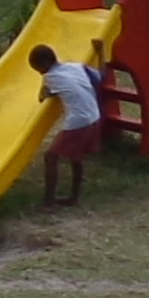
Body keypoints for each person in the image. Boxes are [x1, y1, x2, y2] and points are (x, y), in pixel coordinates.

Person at [33, 40, 106, 208]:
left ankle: (48, 202)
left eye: (38, 69)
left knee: (50, 157)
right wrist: (100, 51)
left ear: (44, 64)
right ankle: (74, 198)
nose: (40, 73)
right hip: (94, 115)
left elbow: (42, 96)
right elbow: (101, 77)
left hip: (79, 120)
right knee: (76, 157)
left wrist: (46, 91)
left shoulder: (49, 77)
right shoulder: (76, 67)